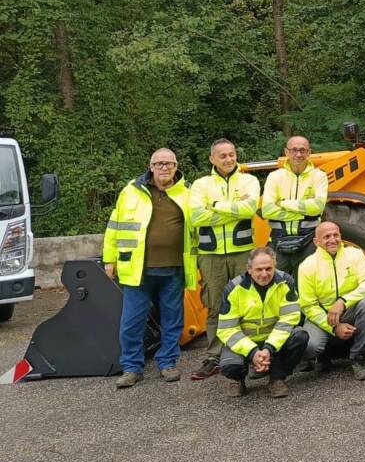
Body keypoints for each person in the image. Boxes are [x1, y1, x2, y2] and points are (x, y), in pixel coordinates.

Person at [102, 148, 198, 389]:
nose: (164, 168)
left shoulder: (188, 194)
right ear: (150, 166)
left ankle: (168, 363)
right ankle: (132, 368)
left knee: (173, 321)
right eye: (159, 163)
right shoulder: (131, 192)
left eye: (169, 163)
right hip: (137, 270)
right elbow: (114, 226)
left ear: (176, 167)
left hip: (174, 269)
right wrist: (110, 259)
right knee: (132, 322)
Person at [188, 138, 262, 381]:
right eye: (223, 156)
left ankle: (250, 353)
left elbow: (249, 209)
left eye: (232, 154)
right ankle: (215, 355)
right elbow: (197, 216)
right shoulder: (200, 185)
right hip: (211, 255)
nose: (229, 159)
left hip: (243, 252)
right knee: (215, 305)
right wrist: (232, 209)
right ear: (212, 159)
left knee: (247, 302)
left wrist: (215, 206)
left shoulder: (248, 180)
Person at [218, 247, 308, 397]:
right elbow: (227, 329)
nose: (264, 274)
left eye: (268, 268)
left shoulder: (286, 282)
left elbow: (289, 319)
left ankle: (277, 379)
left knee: (300, 336)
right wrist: (253, 352)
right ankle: (236, 380)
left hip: (273, 341)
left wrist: (268, 349)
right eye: (259, 269)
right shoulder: (233, 288)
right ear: (249, 269)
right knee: (230, 365)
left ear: (275, 266)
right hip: (245, 340)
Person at [297, 221, 365, 380]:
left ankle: (358, 357)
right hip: (322, 315)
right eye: (326, 236)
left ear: (341, 236)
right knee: (311, 345)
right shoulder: (307, 266)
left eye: (336, 235)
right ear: (316, 242)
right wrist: (334, 328)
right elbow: (308, 306)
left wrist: (343, 301)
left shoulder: (355, 254)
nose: (332, 239)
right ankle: (322, 355)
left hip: (349, 310)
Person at [260, 135, 328, 277]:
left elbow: (318, 207)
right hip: (278, 241)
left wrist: (282, 203)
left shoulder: (319, 176)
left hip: (309, 242)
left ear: (309, 153)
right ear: (286, 152)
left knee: (307, 288)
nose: (298, 154)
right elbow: (267, 211)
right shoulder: (274, 176)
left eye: (302, 150)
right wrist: (305, 210)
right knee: (276, 287)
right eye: (294, 150)